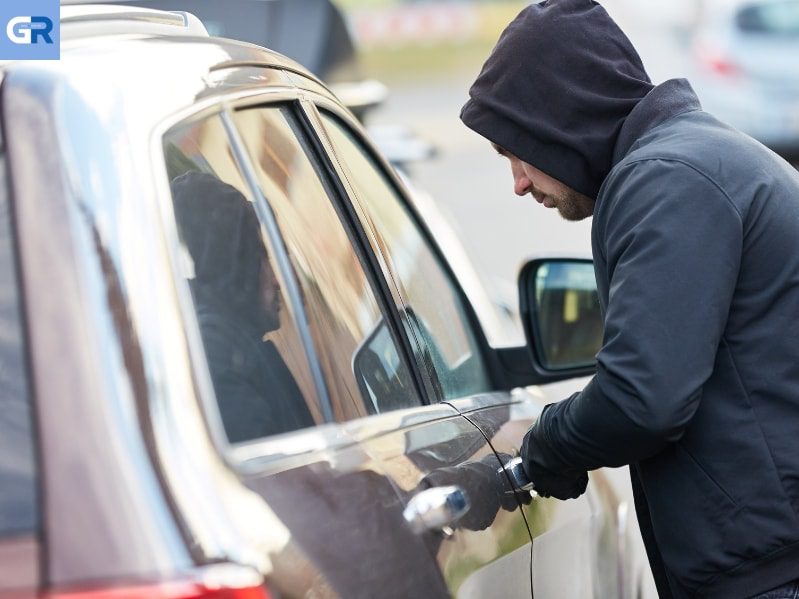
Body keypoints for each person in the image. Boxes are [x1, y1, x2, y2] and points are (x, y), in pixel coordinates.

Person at [460, 1, 799, 598]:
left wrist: (540, 450)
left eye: (513, 149)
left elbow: (643, 397)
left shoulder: (668, 179)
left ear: (554, 118)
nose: (517, 182)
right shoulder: (691, 162)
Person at [171, 171, 314, 442]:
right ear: (238, 264)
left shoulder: (235, 343)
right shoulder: (218, 353)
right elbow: (276, 479)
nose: (277, 280)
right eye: (263, 258)